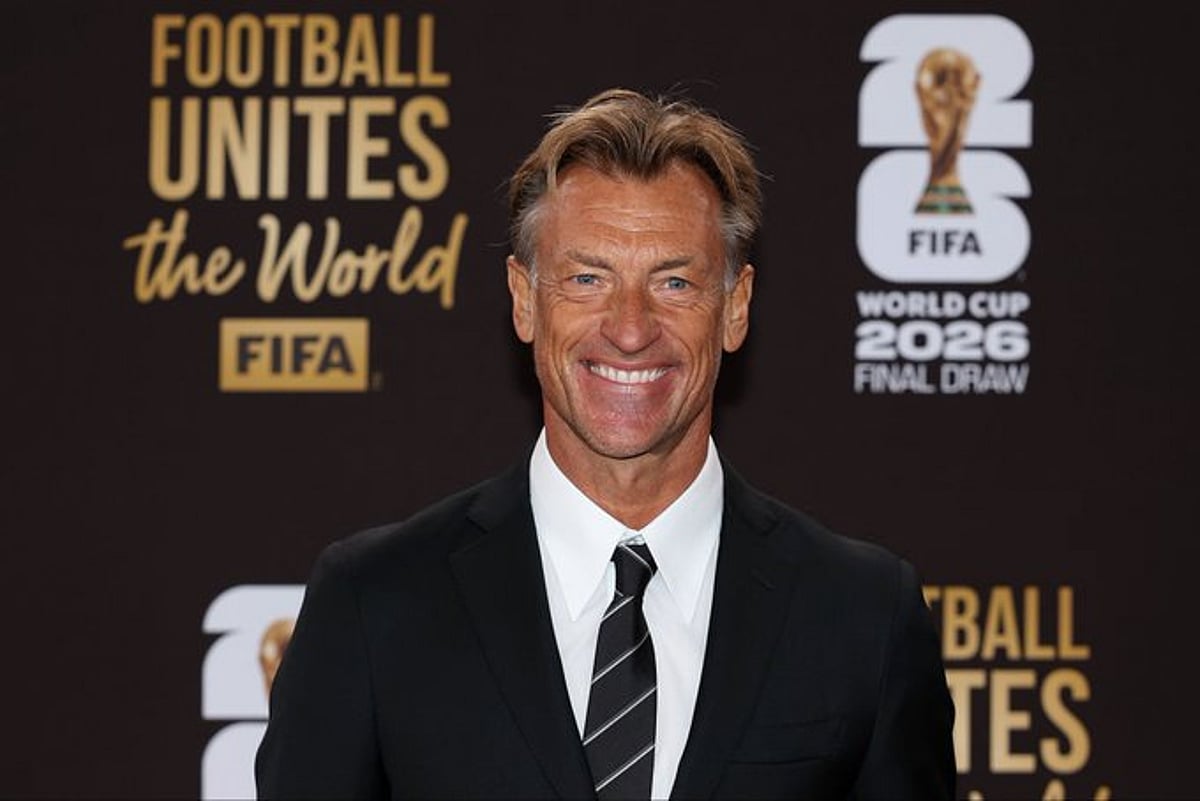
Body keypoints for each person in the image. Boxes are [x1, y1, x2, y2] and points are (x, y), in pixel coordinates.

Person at [256, 87, 955, 800]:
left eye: (674, 281)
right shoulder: (376, 604)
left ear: (735, 308)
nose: (629, 328)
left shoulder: (863, 616)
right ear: (524, 299)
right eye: (588, 278)